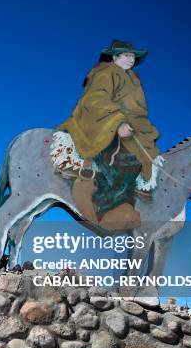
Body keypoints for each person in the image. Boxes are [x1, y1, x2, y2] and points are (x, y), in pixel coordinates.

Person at [57, 40, 160, 229]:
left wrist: (141, 127)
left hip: (132, 127)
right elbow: (94, 99)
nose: (131, 59)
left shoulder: (134, 80)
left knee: (150, 159)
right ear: (114, 57)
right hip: (102, 122)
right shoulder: (105, 73)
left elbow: (138, 110)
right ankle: (106, 209)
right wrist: (118, 121)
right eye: (126, 55)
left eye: (132, 56)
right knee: (129, 160)